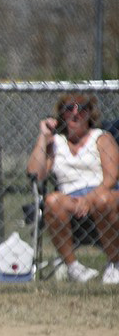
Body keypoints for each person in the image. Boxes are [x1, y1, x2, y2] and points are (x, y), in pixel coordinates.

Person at [27, 93, 119, 284]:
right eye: (69, 109)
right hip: (69, 200)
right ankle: (73, 268)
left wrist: (89, 198)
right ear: (62, 114)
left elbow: (112, 178)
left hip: (101, 194)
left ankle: (115, 264)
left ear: (89, 114)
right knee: (52, 200)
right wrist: (44, 137)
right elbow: (35, 173)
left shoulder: (101, 138)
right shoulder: (56, 143)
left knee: (103, 200)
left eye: (82, 108)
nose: (75, 114)